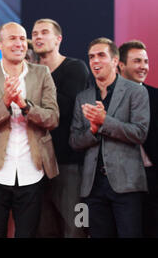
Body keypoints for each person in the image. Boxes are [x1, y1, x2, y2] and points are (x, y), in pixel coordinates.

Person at [0, 22, 59, 237]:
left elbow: (53, 118)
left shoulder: (42, 73)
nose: (19, 43)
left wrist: (24, 106)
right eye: (13, 38)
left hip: (33, 169)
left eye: (22, 38)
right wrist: (5, 103)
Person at [69, 37, 149, 238]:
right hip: (93, 187)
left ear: (115, 61)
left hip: (126, 185)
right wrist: (94, 130)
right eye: (91, 57)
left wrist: (105, 121)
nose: (95, 61)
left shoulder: (136, 92)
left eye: (101, 55)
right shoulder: (83, 97)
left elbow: (139, 133)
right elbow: (75, 141)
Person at [31, 18, 89, 238]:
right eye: (35, 33)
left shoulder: (76, 68)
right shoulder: (30, 73)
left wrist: (31, 104)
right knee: (43, 230)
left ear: (58, 39)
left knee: (75, 228)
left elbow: (63, 108)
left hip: (69, 164)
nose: (38, 37)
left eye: (44, 32)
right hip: (36, 164)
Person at [118, 40, 158, 237]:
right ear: (121, 65)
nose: (143, 66)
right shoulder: (104, 97)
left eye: (146, 61)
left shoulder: (155, 96)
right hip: (119, 181)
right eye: (137, 61)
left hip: (151, 178)